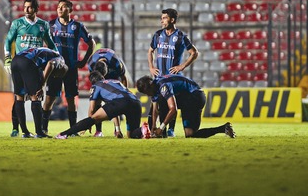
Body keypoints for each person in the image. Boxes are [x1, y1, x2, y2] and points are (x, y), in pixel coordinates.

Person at [4, 0, 58, 137]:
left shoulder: (43, 25)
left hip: (34, 65)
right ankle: (33, 132)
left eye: (30, 7)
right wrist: (7, 59)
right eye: (25, 7)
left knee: (24, 96)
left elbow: (50, 43)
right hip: (23, 63)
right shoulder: (17, 23)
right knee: (28, 96)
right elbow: (8, 41)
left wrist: (57, 55)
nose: (26, 10)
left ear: (36, 9)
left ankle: (26, 132)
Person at [42, 0, 95, 135]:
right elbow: (43, 43)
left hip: (71, 68)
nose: (60, 9)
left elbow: (92, 43)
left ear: (70, 10)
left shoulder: (77, 26)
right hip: (55, 68)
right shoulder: (51, 25)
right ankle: (43, 128)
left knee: (71, 99)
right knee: (49, 99)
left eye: (64, 7)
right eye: (58, 6)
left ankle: (73, 130)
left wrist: (84, 61)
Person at [147, 8, 198, 137]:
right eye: (162, 18)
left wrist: (182, 66)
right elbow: (150, 51)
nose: (161, 21)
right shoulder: (158, 35)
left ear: (172, 20)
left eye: (164, 18)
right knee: (157, 104)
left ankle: (171, 129)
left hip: (173, 78)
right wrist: (151, 67)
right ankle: (156, 128)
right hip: (159, 77)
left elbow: (194, 52)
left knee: (171, 104)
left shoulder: (180, 36)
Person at [55, 71, 150, 139]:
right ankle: (143, 129)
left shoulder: (96, 86)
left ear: (92, 82)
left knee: (93, 119)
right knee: (132, 134)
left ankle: (63, 134)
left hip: (120, 102)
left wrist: (88, 124)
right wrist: (117, 129)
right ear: (103, 77)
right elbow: (114, 111)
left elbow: (92, 109)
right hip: (135, 102)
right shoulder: (115, 81)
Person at [136, 75, 236, 139]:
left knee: (164, 101)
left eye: (147, 92)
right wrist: (153, 125)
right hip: (189, 98)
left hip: (194, 97)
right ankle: (224, 128)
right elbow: (155, 109)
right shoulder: (155, 85)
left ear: (150, 86)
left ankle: (163, 133)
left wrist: (161, 128)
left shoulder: (164, 86)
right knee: (190, 135)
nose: (148, 95)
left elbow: (173, 109)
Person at [11, 47, 68, 138]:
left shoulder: (47, 52)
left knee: (19, 97)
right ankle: (39, 132)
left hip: (15, 60)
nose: (53, 76)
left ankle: (25, 132)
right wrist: (42, 84)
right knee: (36, 96)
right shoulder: (60, 60)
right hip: (28, 62)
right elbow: (50, 64)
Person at [87, 48, 127, 137]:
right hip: (99, 76)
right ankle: (98, 131)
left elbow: (123, 78)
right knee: (96, 101)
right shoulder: (91, 64)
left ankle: (117, 130)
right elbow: (93, 81)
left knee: (112, 102)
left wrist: (125, 91)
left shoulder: (116, 63)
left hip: (114, 77)